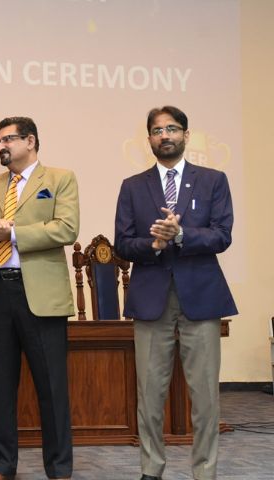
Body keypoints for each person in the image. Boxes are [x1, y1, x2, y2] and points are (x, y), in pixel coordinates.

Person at [114, 106, 237, 480]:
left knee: (205, 395)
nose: (164, 135)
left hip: (201, 297)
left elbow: (222, 235)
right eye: (157, 130)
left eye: (171, 128)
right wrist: (152, 244)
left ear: (186, 134)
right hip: (151, 299)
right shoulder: (133, 186)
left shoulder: (213, 180)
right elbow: (123, 243)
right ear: (148, 139)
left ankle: (205, 471)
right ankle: (151, 468)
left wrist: (181, 235)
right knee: (149, 394)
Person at [0, 117, 79, 480]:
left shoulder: (59, 179)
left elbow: (66, 229)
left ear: (30, 141)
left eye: (8, 139)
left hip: (41, 295)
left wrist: (11, 233)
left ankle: (59, 468)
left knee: (52, 386)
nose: (1, 146)